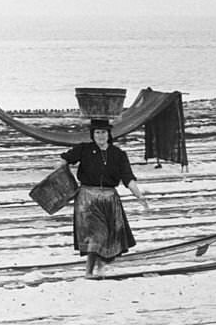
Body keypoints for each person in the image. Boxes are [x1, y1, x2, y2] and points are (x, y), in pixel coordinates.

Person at [60, 119, 150, 278]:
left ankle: (100, 265)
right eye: (97, 132)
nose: (100, 136)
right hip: (88, 198)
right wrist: (62, 178)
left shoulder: (118, 155)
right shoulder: (84, 149)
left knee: (113, 237)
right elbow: (64, 159)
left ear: (109, 134)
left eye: (103, 132)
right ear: (92, 135)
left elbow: (127, 178)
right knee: (97, 235)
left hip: (110, 198)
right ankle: (89, 272)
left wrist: (139, 195)